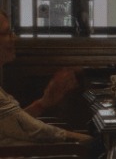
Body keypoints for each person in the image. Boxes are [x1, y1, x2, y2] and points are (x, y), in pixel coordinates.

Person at [0, 10, 86, 145]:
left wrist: (43, 103)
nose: (14, 38)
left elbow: (14, 123)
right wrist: (87, 140)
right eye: (6, 33)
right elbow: (33, 129)